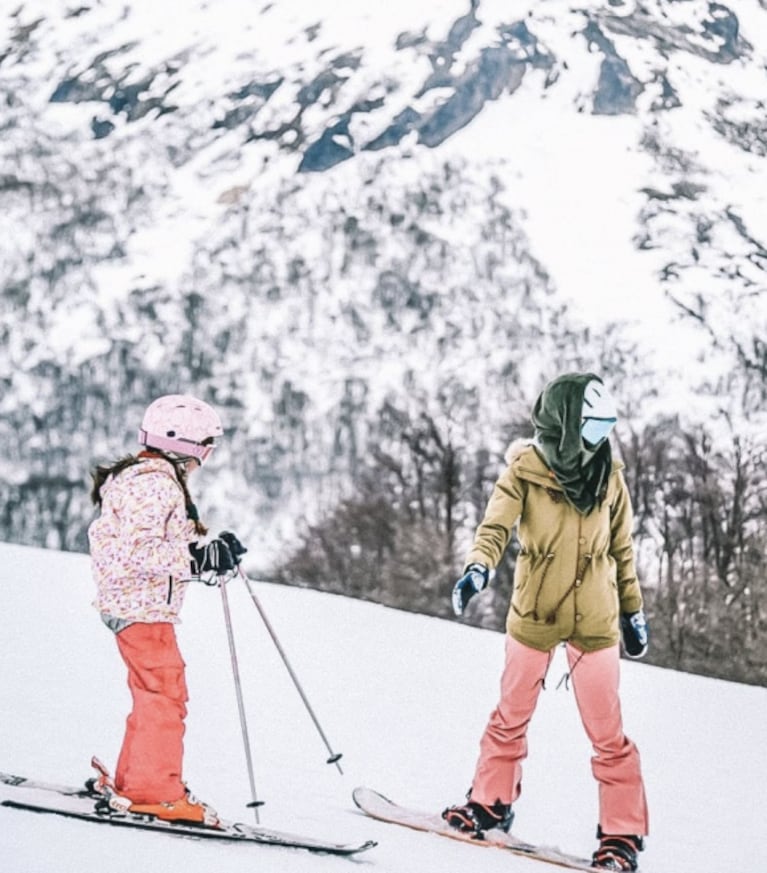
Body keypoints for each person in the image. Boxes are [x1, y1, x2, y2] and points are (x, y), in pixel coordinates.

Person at [442, 373, 649, 872]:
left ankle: (622, 835)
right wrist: (478, 567)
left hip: (595, 618)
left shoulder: (610, 476)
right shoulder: (524, 471)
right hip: (536, 612)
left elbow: (621, 549)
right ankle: (490, 802)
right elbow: (495, 527)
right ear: (565, 424)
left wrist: (632, 609)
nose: (601, 441)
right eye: (593, 430)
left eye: (606, 430)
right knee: (510, 716)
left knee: (608, 734)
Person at [88, 394, 247, 826]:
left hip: (137, 602)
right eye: (207, 447)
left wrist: (205, 550)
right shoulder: (154, 484)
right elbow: (140, 551)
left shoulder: (144, 478)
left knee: (154, 693)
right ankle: (153, 791)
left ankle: (135, 781)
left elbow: (155, 544)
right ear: (187, 446)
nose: (207, 457)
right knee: (164, 695)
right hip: (140, 606)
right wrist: (197, 560)